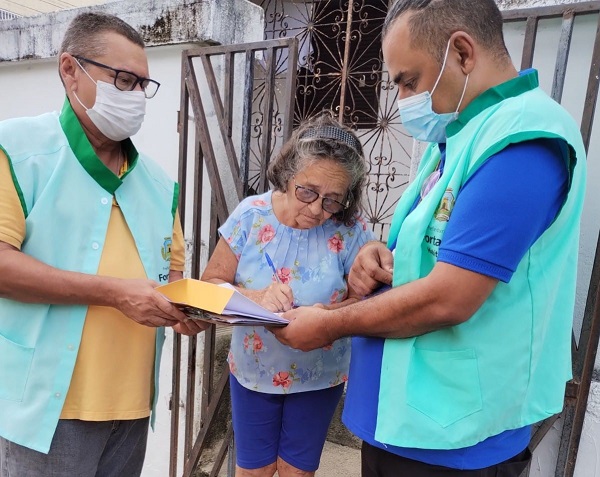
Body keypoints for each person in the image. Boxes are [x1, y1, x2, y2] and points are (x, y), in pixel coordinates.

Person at [272, 1, 587, 476]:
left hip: (453, 438)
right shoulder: (455, 140)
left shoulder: (521, 142)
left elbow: (449, 298)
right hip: (406, 422)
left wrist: (330, 323)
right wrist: (379, 256)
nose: (402, 100)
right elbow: (429, 255)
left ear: (461, 52)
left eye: (409, 80)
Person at [0, 12, 207, 477]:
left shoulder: (158, 184)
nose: (135, 97)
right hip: (47, 410)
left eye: (143, 86)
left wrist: (195, 311)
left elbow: (171, 282)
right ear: (70, 70)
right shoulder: (18, 151)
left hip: (131, 410)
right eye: (123, 80)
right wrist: (114, 292)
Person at [201, 114, 374, 477]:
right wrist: (257, 295)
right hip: (253, 370)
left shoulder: (350, 229)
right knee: (253, 473)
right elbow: (210, 286)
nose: (316, 210)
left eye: (332, 200)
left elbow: (368, 303)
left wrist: (324, 316)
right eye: (307, 191)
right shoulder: (251, 216)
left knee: (296, 473)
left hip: (319, 374)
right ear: (288, 174)